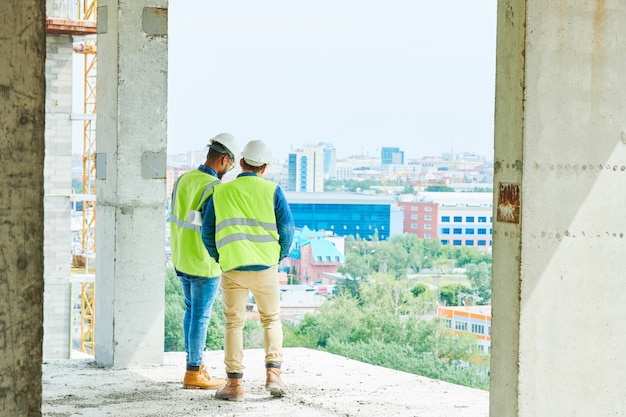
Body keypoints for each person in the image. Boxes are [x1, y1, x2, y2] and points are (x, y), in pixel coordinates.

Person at [202, 139, 295, 401]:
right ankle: (273, 375)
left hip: (232, 267)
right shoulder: (272, 191)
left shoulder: (219, 192)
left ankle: (234, 385)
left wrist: (220, 257)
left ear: (241, 162)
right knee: (271, 319)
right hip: (265, 267)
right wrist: (278, 256)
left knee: (234, 323)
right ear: (264, 167)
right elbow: (287, 230)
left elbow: (207, 233)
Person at [169, 133, 240, 390]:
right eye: (230, 166)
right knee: (200, 316)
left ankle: (194, 366)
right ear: (223, 159)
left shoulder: (183, 179)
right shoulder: (215, 188)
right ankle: (193, 370)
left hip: (180, 256)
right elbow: (212, 226)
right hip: (203, 262)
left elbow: (183, 216)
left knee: (191, 312)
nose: (228, 171)